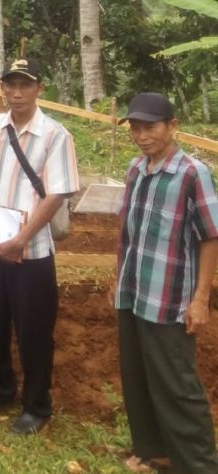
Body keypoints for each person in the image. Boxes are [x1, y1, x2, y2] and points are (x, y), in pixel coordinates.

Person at [0, 57, 79, 435]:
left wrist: (21, 239)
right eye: (10, 85)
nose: (16, 92)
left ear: (38, 89)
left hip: (31, 253)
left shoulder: (55, 135)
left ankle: (36, 405)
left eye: (25, 85)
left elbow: (57, 193)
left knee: (33, 330)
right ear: (2, 88)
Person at [114, 93, 218, 473]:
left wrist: (201, 298)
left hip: (170, 298)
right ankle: (154, 451)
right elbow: (127, 231)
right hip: (133, 292)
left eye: (150, 127)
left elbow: (211, 236)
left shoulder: (192, 173)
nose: (142, 136)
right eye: (136, 128)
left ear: (172, 126)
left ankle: (200, 464)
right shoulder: (135, 169)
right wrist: (117, 279)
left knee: (177, 385)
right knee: (138, 376)